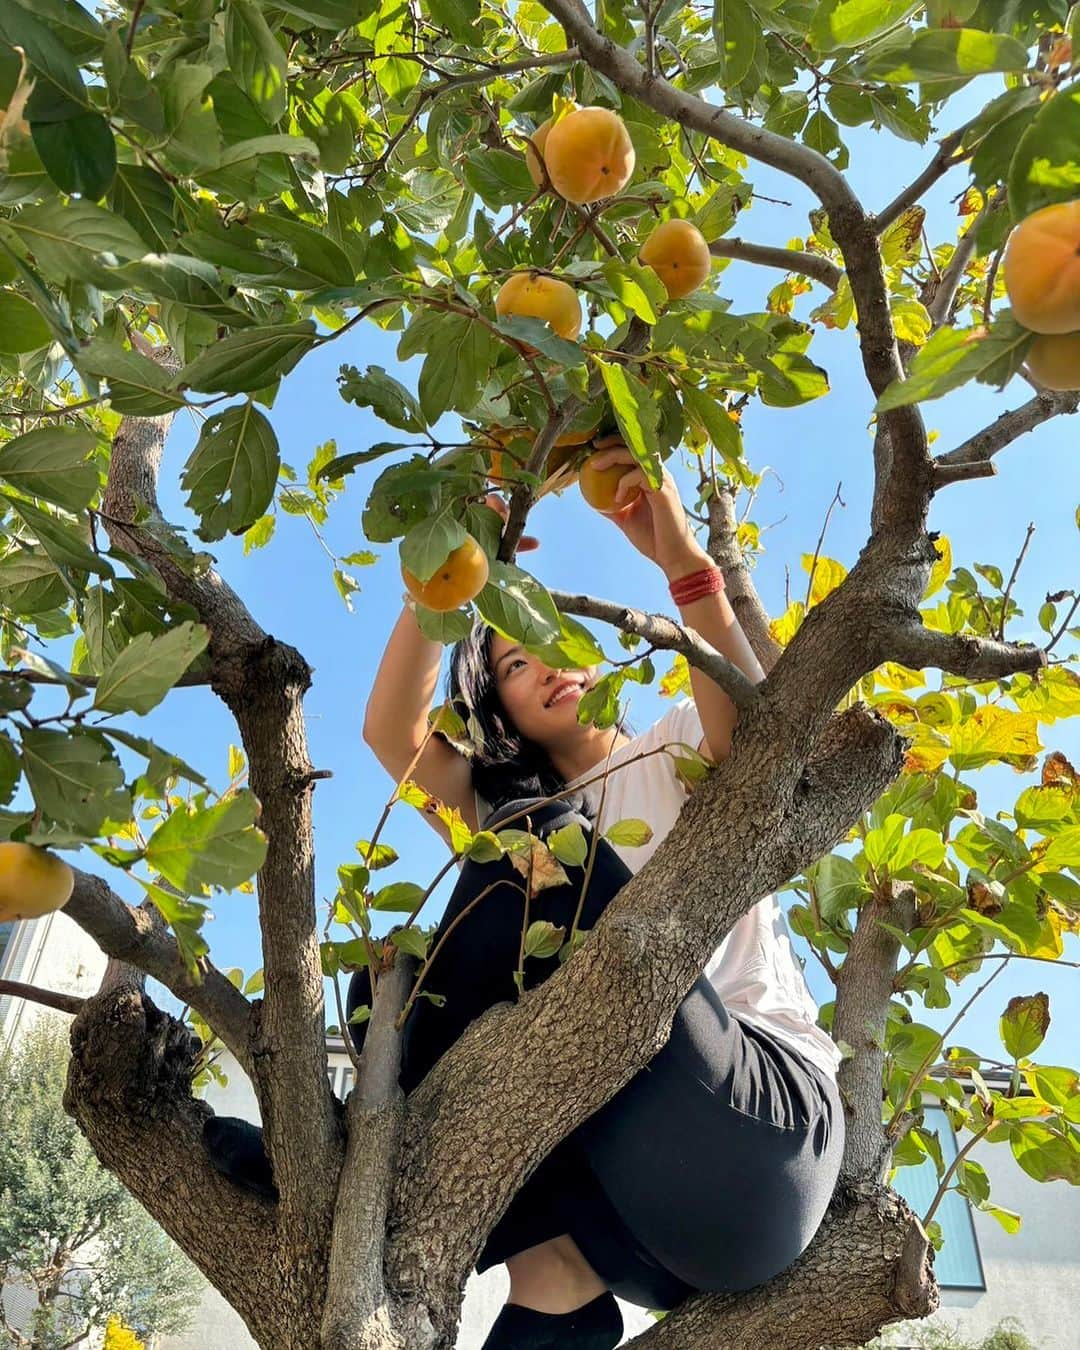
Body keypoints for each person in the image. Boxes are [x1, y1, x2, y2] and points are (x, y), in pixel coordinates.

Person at [203, 440, 844, 1350]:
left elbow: (767, 745)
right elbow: (392, 731)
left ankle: (350, 1160)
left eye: (557, 643)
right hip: (649, 1229)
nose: (546, 665)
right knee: (391, 985)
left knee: (540, 852)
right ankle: (359, 1171)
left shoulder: (670, 746)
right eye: (512, 663)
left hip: (760, 1133)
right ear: (495, 710)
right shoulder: (513, 809)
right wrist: (451, 572)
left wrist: (681, 562)